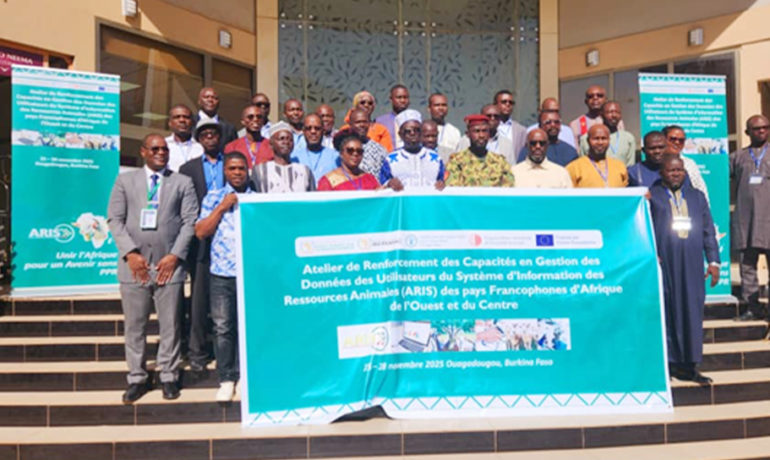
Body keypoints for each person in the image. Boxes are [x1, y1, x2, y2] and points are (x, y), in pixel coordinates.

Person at [107, 134, 198, 403]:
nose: (161, 152)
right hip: (135, 267)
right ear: (143, 151)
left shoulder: (182, 182)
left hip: (168, 267)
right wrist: (131, 254)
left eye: (165, 149)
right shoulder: (125, 181)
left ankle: (168, 375)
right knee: (135, 326)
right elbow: (114, 219)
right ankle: (137, 377)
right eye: (155, 148)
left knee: (170, 325)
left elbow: (190, 221)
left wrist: (174, 255)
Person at [648, 155, 720, 384]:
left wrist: (713, 261)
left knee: (691, 311)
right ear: (662, 173)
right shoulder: (652, 196)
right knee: (668, 311)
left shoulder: (697, 197)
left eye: (680, 170)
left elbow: (708, 229)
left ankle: (690, 365)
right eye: (671, 171)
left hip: (691, 264)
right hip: (665, 264)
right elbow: (645, 228)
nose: (676, 174)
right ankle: (670, 364)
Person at [195, 152, 255, 401]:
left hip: (250, 272)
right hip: (221, 273)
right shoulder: (213, 197)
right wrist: (222, 207)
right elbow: (200, 232)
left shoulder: (258, 199)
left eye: (242, 168)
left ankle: (244, 377)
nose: (238, 172)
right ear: (225, 172)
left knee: (247, 327)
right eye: (232, 168)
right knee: (223, 327)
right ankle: (226, 378)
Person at [178, 119, 226, 372]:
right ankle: (197, 353)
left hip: (229, 241)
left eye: (214, 134)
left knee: (225, 301)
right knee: (199, 299)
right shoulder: (187, 169)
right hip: (201, 242)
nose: (210, 137)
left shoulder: (232, 164)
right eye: (205, 134)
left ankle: (226, 352)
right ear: (199, 139)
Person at [731, 115, 770, 320]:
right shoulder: (737, 156)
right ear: (747, 132)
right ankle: (752, 308)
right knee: (747, 266)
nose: (762, 131)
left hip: (768, 221)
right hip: (745, 221)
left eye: (765, 127)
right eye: (756, 128)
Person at [380, 110, 445, 190]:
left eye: (416, 130)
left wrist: (441, 185)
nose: (412, 133)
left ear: (421, 132)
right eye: (408, 131)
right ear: (400, 134)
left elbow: (442, 182)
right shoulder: (390, 160)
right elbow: (381, 185)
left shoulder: (436, 159)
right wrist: (389, 184)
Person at [445, 114, 515, 187]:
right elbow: (452, 190)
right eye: (477, 131)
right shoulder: (456, 162)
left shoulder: (500, 162)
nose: (481, 135)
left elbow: (508, 189)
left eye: (484, 131)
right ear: (468, 134)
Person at [253, 122, 316, 192]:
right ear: (271, 144)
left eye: (290, 139)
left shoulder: (305, 171)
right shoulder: (260, 171)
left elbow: (312, 198)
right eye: (281, 139)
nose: (286, 142)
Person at [579, 101, 636, 166]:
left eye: (617, 112)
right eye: (610, 112)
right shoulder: (587, 137)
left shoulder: (628, 138)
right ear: (601, 114)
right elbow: (582, 164)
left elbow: (630, 166)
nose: (614, 115)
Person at [662, 125, 709, 202]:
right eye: (673, 139)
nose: (677, 142)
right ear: (663, 140)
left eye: (681, 140)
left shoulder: (689, 164)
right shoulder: (657, 162)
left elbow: (701, 189)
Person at [290, 114, 338, 184]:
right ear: (303, 131)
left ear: (323, 131)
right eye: (308, 128)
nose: (313, 132)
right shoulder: (294, 157)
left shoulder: (335, 157)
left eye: (317, 128)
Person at [348, 109, 389, 179]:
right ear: (350, 125)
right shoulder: (343, 149)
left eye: (365, 122)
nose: (362, 125)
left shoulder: (379, 149)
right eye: (358, 122)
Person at [166, 104, 203, 172]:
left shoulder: (201, 147)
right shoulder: (164, 145)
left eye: (186, 117)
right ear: (170, 123)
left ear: (192, 122)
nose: (182, 120)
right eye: (177, 117)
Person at [428, 93, 461, 159]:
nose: (441, 108)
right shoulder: (423, 129)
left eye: (444, 105)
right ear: (429, 108)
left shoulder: (454, 131)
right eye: (437, 105)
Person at [493, 90, 527, 154]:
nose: (508, 104)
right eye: (504, 102)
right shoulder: (489, 127)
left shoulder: (521, 130)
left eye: (511, 103)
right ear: (495, 105)